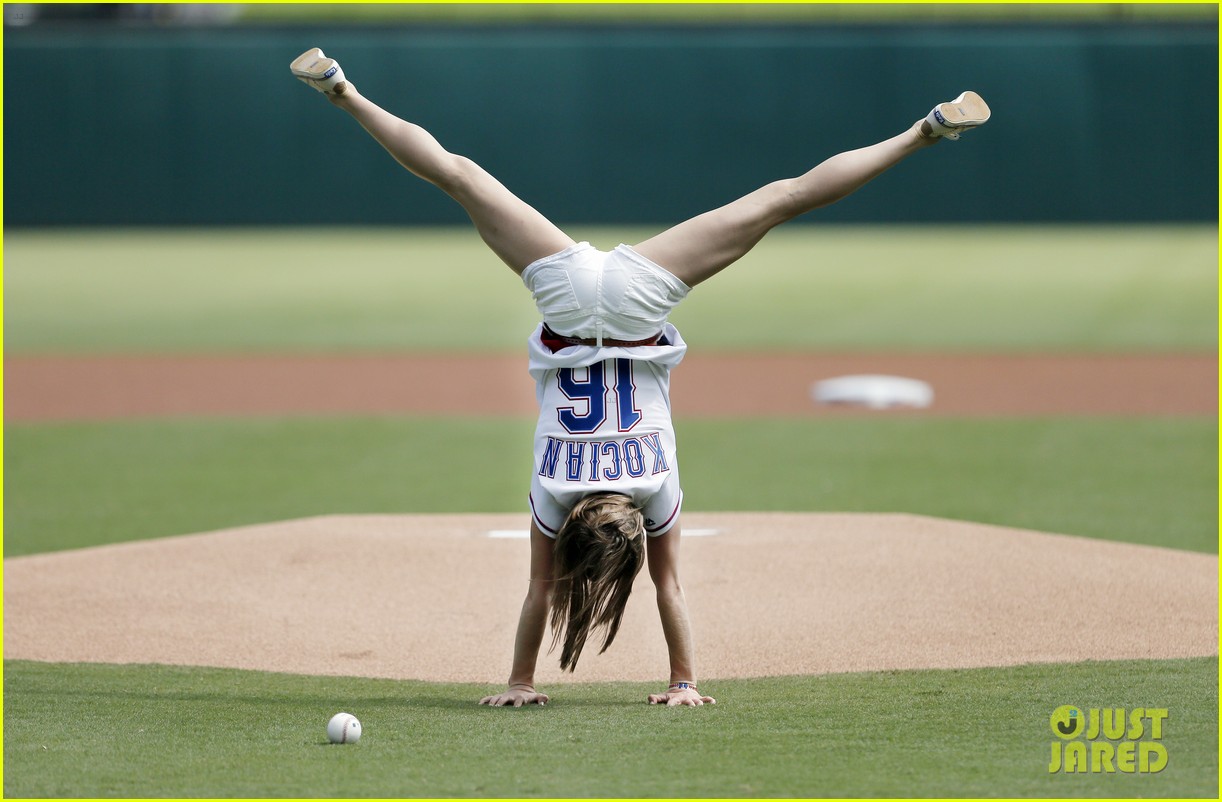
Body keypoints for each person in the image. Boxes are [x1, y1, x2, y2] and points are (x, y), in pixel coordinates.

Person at [290, 47, 990, 708]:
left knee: (464, 173)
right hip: (573, 295)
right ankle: (924, 131)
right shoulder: (557, 490)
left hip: (633, 300)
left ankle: (342, 89)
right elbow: (544, 590)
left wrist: (684, 681)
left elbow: (663, 587)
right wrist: (520, 680)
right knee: (777, 194)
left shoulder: (651, 488)